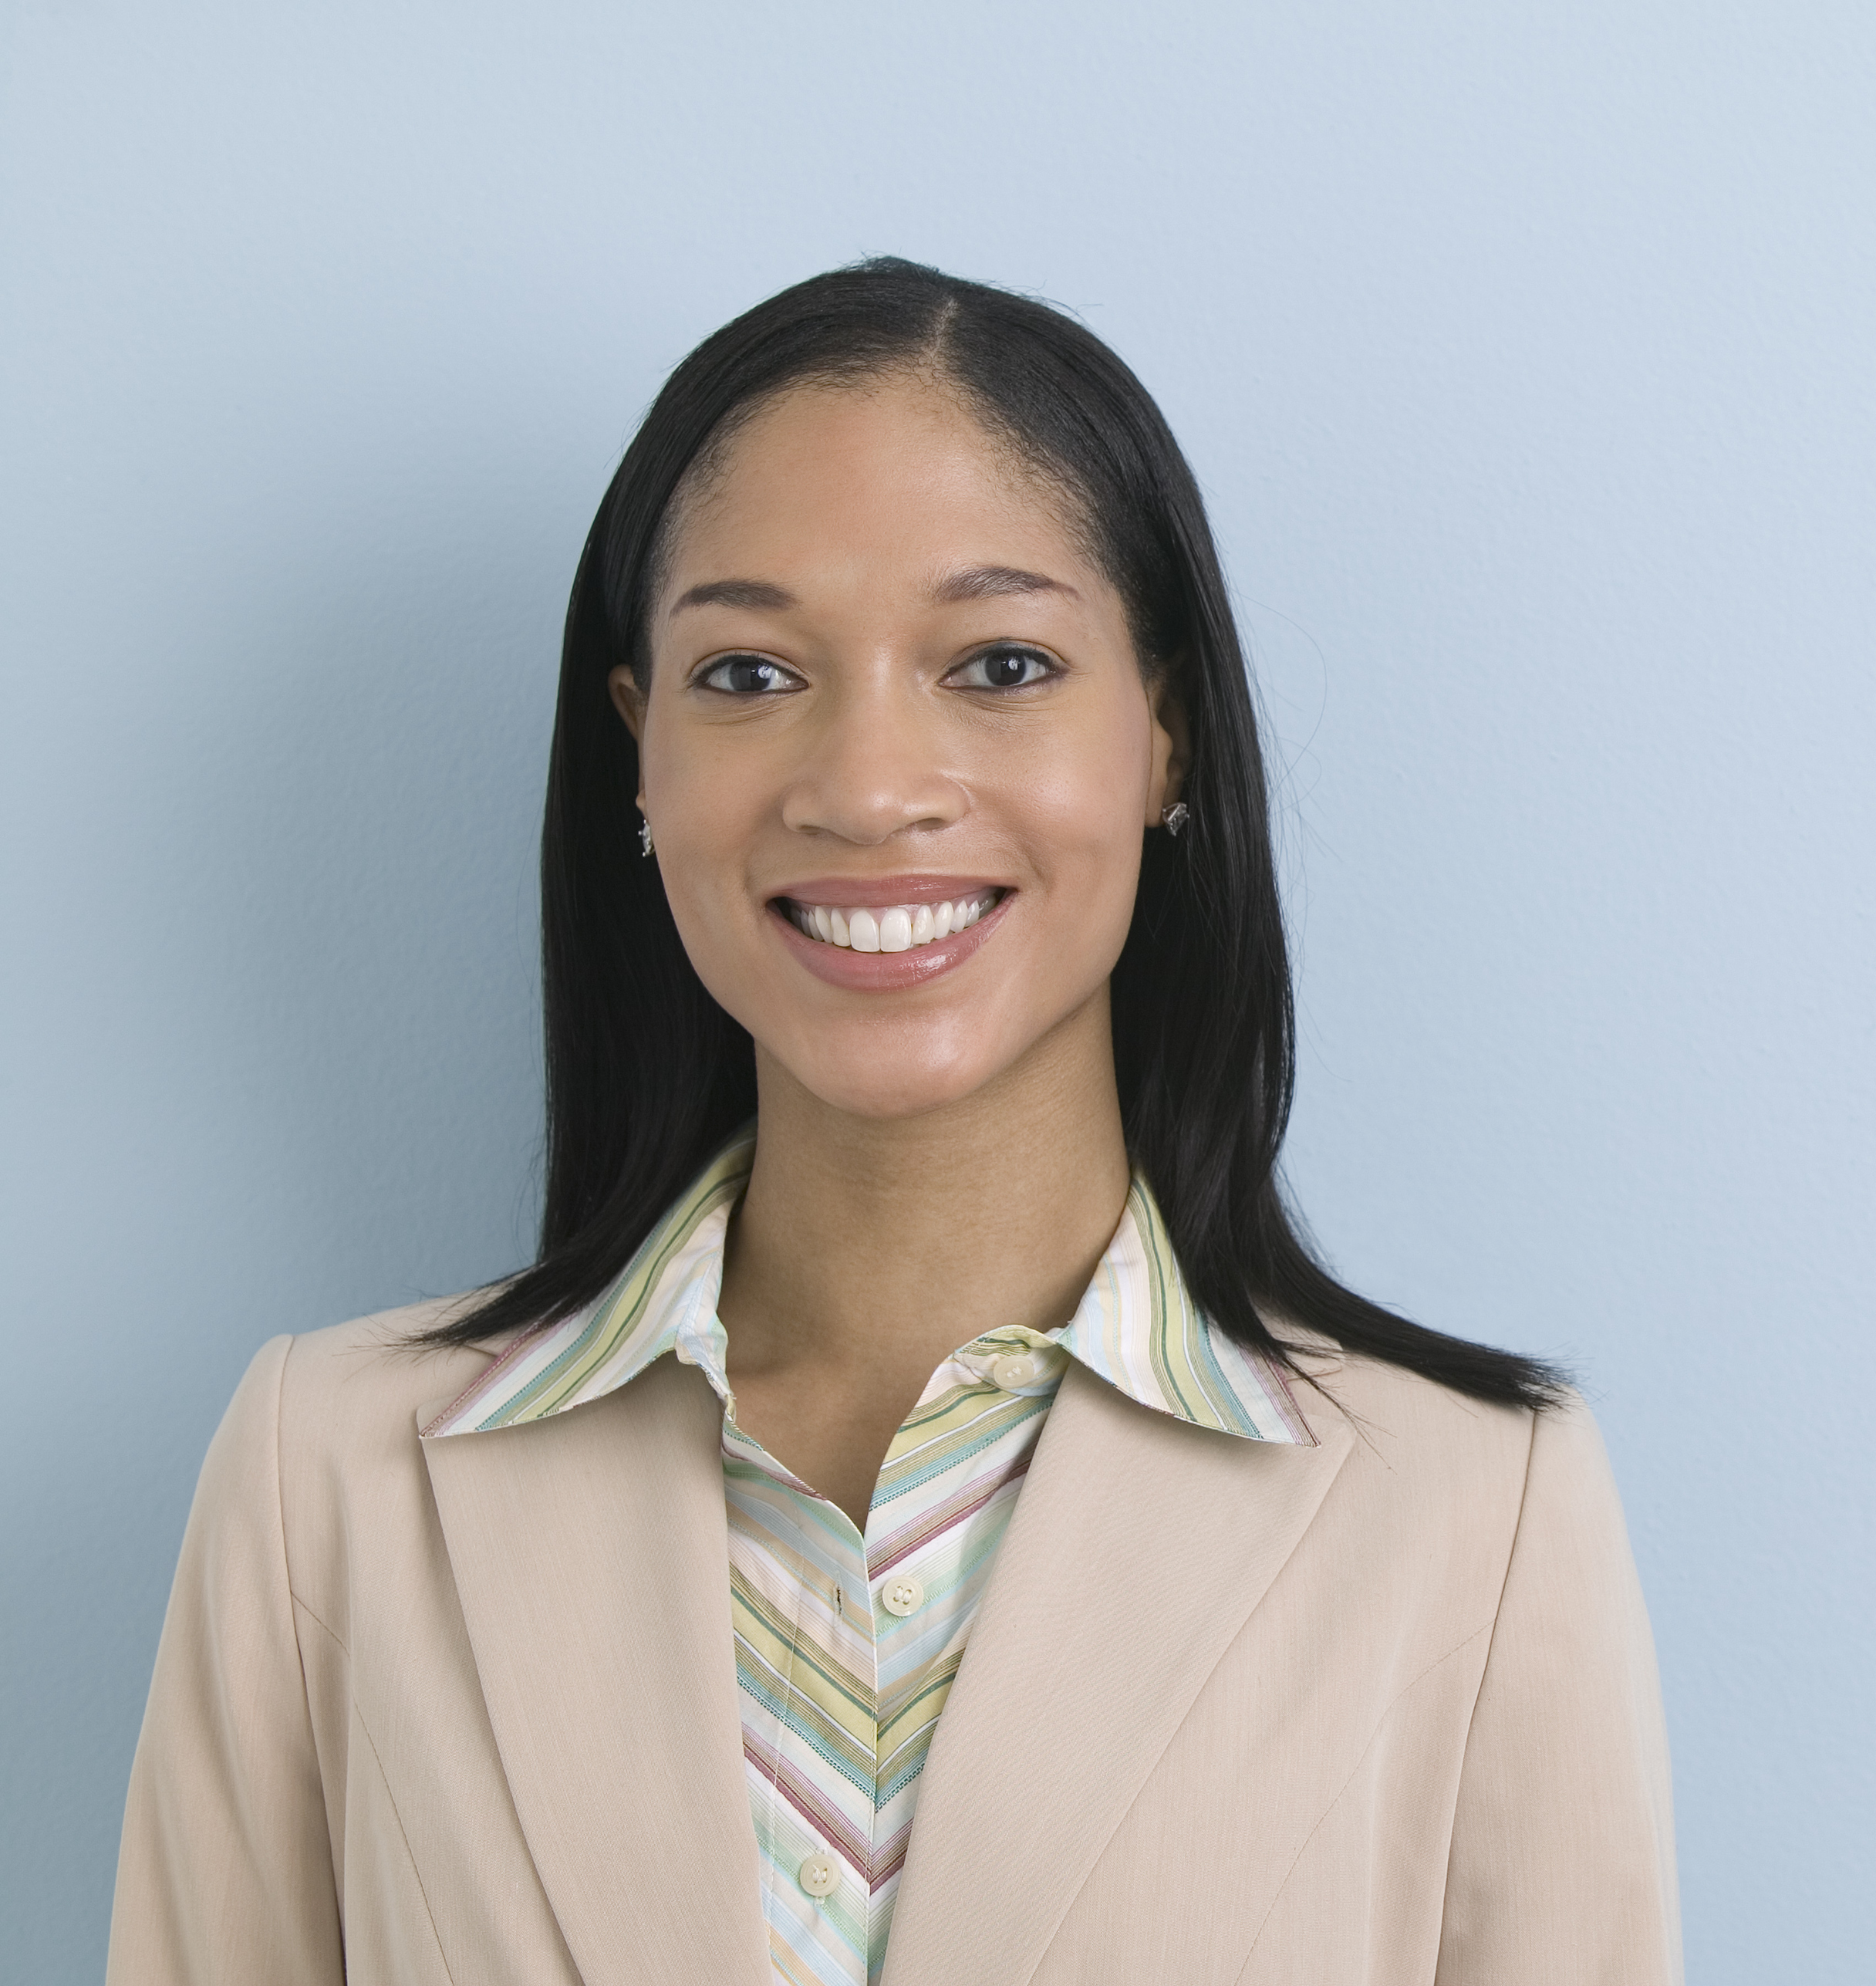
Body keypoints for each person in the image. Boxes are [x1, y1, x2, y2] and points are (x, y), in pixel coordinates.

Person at [109, 259, 1678, 1986]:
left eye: (1000, 662)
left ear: (1165, 738)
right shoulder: (322, 1479)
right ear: (638, 758)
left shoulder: (1475, 1506)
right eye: (751, 674)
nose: (865, 787)